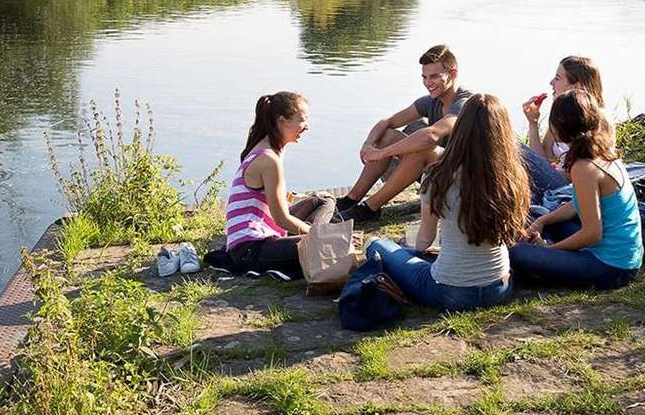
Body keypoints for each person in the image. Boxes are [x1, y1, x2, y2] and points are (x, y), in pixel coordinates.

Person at [362, 94, 528, 312]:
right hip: (499, 288)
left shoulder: (440, 177)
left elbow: (424, 240)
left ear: (461, 129)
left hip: (450, 291)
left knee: (376, 245)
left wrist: (419, 248)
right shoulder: (514, 178)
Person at [509, 90, 643, 290]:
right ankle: (542, 257)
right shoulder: (603, 150)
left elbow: (592, 234)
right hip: (623, 257)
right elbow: (579, 203)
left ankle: (537, 267)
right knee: (549, 221)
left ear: (559, 127)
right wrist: (542, 220)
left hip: (610, 267)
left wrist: (550, 250)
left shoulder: (584, 168)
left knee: (513, 251)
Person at [336, 44, 472, 224]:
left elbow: (431, 135)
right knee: (387, 136)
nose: (428, 82)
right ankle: (351, 199)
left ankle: (369, 208)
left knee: (422, 148)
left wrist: (383, 153)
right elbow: (387, 122)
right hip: (440, 171)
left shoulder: (465, 104)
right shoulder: (431, 101)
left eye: (434, 76)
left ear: (453, 74)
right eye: (424, 77)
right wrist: (368, 144)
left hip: (466, 180)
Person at [225, 91, 337, 280]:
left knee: (324, 200)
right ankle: (312, 238)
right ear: (282, 120)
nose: (307, 127)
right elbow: (281, 219)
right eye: (302, 120)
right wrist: (322, 237)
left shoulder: (271, 147)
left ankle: (309, 238)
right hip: (249, 249)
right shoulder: (268, 159)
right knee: (329, 246)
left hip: (265, 233)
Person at [523, 55, 604, 164]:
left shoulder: (600, 120)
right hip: (565, 176)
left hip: (582, 178)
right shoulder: (562, 114)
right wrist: (533, 122)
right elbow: (543, 159)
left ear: (576, 86)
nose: (551, 83)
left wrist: (560, 173)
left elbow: (595, 167)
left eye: (557, 78)